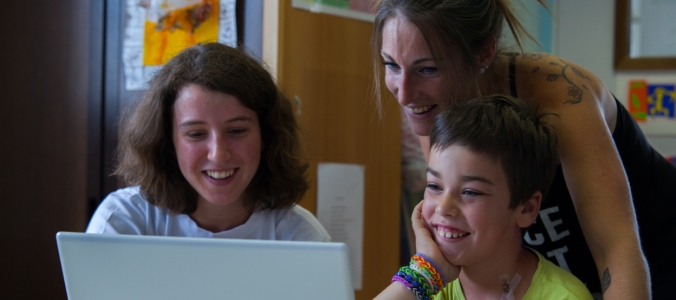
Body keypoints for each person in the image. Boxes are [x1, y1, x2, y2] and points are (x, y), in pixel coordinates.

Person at [371, 0, 676, 298]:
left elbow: (615, 249)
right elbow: (456, 231)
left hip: (659, 255)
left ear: (484, 52)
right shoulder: (432, 109)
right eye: (391, 65)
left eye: (428, 69)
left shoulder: (558, 95)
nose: (404, 93)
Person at [86, 42, 330, 242]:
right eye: (196, 134)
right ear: (168, 141)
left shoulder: (299, 236)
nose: (218, 154)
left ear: (266, 136)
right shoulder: (124, 221)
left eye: (236, 130)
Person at [376, 95, 593, 300]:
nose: (443, 208)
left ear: (526, 208)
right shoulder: (428, 283)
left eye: (470, 192)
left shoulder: (564, 296)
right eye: (434, 186)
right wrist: (423, 275)